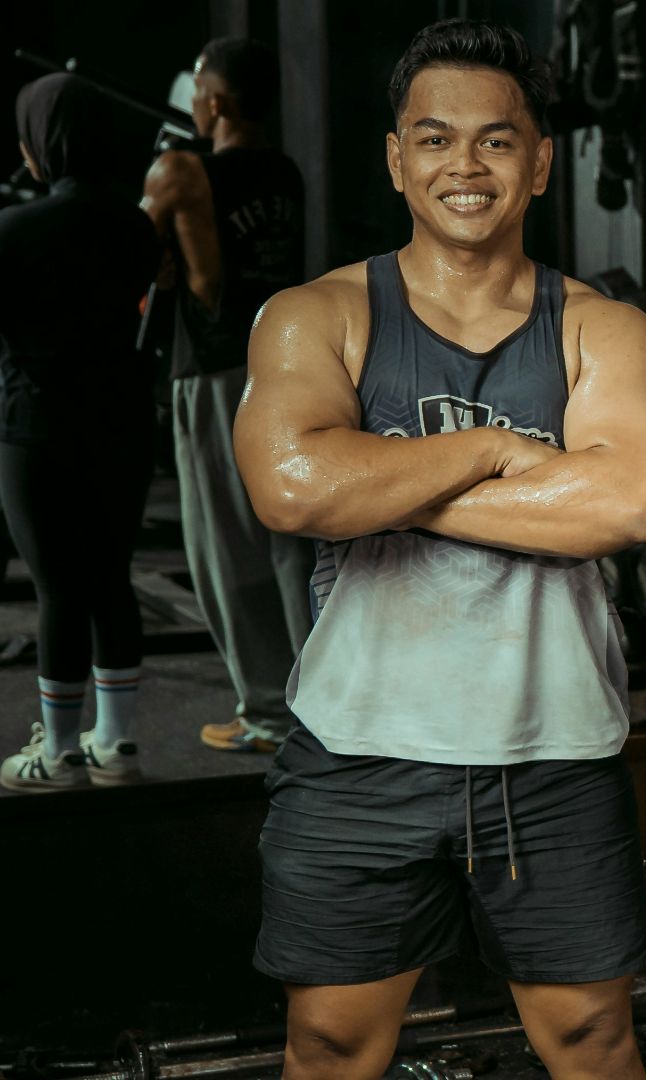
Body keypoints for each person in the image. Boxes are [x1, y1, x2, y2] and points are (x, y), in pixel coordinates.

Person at [232, 20, 646, 1079]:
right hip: (358, 750)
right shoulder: (316, 316)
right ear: (398, 160)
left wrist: (382, 487)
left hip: (553, 751)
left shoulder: (601, 329)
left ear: (540, 162)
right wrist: (488, 450)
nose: (464, 165)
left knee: (592, 1040)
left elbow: (637, 502)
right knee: (330, 1044)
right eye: (435, 139)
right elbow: (291, 487)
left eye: (496, 140)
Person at [142, 37, 313, 754]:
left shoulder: (184, 173)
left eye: (198, 91)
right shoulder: (284, 172)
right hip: (290, 364)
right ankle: (321, 707)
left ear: (215, 101)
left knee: (225, 547)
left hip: (217, 371)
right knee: (291, 540)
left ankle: (271, 712)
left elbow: (169, 268)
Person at [0, 75, 159, 790]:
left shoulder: (14, 228)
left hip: (37, 426)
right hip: (122, 421)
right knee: (109, 579)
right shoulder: (135, 225)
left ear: (41, 140)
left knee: (57, 587)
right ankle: (116, 744)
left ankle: (59, 751)